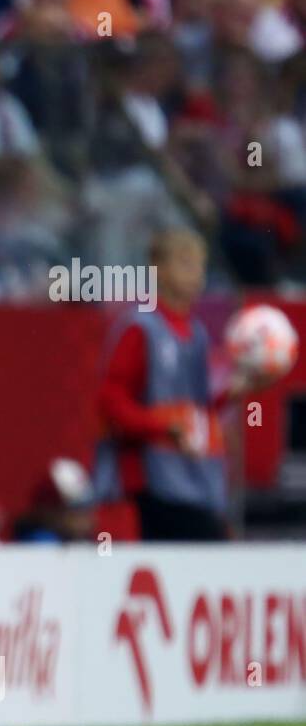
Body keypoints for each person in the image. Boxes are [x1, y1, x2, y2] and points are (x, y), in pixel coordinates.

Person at [92, 228, 263, 540]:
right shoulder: (141, 328)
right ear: (158, 269)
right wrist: (159, 427)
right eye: (185, 264)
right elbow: (111, 400)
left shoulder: (196, 333)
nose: (196, 275)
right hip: (150, 480)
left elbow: (196, 406)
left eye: (200, 265)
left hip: (194, 477)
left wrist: (235, 391)